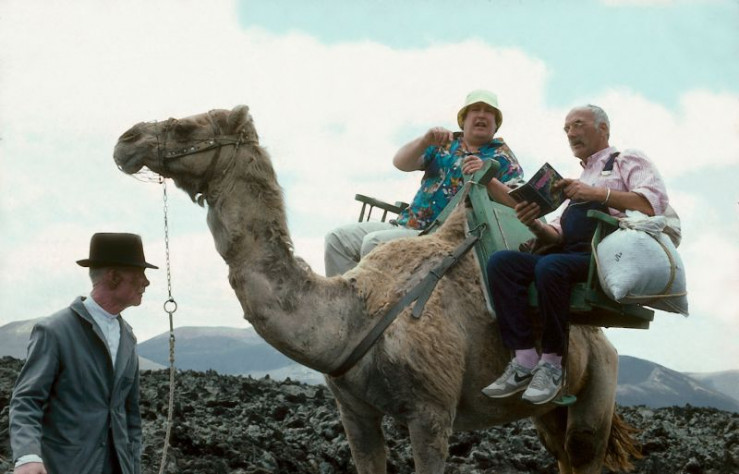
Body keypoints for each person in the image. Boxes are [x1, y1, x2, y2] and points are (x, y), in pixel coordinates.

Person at [482, 105, 669, 404]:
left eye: (578, 124)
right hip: (569, 255)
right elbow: (557, 235)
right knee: (502, 263)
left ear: (603, 128)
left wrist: (595, 194)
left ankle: (552, 365)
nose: (570, 133)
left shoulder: (626, 159)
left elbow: (653, 203)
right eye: (566, 128)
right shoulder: (579, 180)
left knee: (551, 267)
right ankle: (524, 359)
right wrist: (533, 224)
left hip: (605, 256)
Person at [324, 89, 523, 276]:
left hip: (445, 239)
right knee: (337, 239)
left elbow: (518, 203)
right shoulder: (444, 143)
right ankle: (348, 300)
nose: (481, 115)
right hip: (406, 225)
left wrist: (487, 178)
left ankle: (374, 301)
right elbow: (400, 163)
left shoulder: (503, 157)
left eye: (489, 111)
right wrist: (424, 141)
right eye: (475, 109)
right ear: (463, 120)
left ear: (496, 124)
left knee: (374, 244)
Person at [9, 233, 157, 474]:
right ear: (114, 277)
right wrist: (27, 456)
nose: (146, 282)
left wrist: (134, 467)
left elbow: (130, 415)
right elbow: (27, 401)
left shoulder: (128, 338)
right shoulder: (55, 331)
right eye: (139, 273)